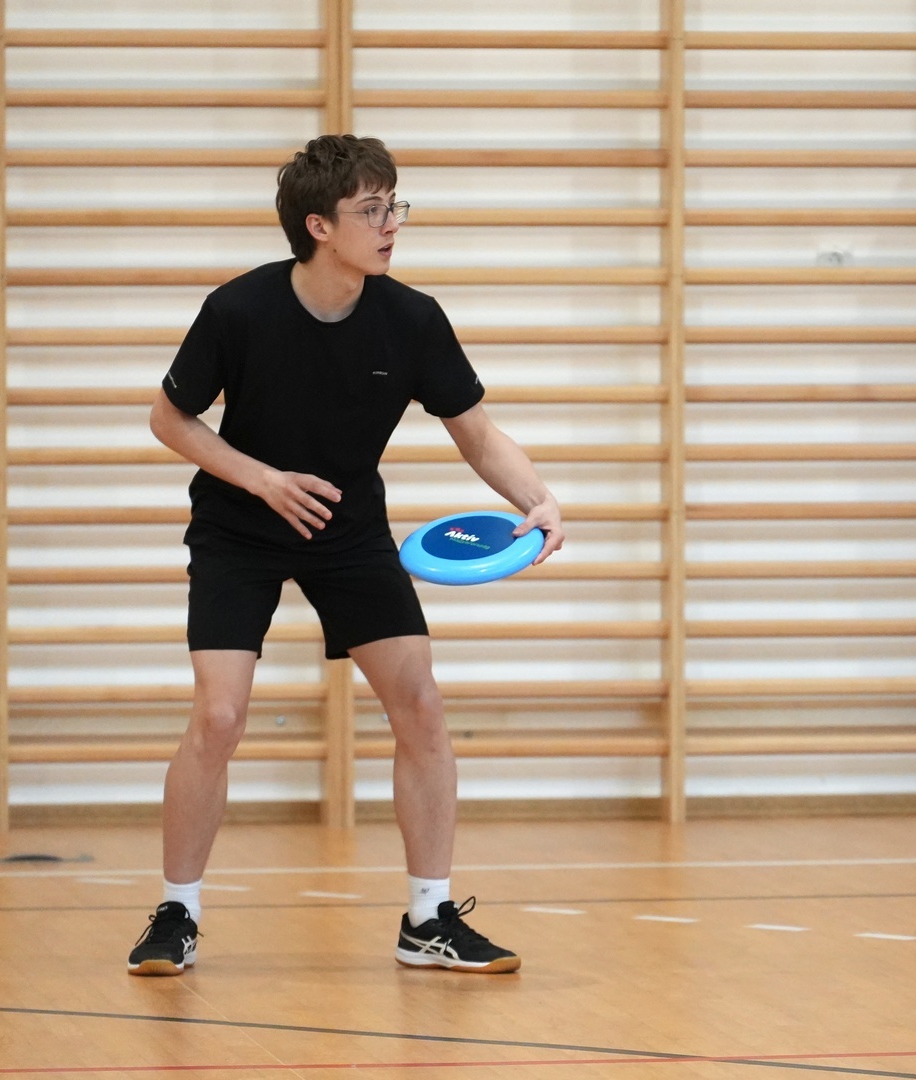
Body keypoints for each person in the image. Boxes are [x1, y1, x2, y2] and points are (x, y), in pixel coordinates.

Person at [125, 134, 563, 977]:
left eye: (395, 206)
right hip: (238, 528)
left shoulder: (412, 319)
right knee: (220, 717)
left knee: (421, 705)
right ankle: (177, 911)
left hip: (350, 530)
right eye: (372, 210)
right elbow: (169, 419)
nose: (392, 224)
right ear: (319, 226)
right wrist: (262, 480)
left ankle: (429, 919)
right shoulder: (240, 310)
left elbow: (476, 433)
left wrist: (536, 498)